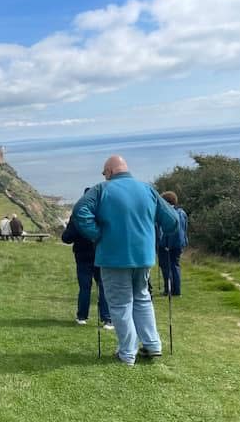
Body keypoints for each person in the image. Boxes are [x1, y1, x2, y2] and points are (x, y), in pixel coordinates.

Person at [73, 155, 178, 366]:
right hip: (143, 256)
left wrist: (96, 234)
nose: (105, 176)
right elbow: (172, 221)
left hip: (113, 257)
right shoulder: (147, 190)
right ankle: (152, 345)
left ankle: (127, 353)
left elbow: (79, 211)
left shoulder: (102, 190)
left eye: (104, 173)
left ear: (110, 172)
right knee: (142, 298)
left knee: (120, 304)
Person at [62, 188, 113, 330]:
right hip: (101, 254)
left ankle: (82, 316)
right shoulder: (104, 215)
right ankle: (107, 319)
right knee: (103, 286)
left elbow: (66, 238)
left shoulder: (78, 216)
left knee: (85, 287)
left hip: (82, 255)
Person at [158, 191, 188, 296]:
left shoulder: (167, 213)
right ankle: (177, 290)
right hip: (178, 244)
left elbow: (167, 231)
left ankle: (169, 290)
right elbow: (184, 229)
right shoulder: (182, 212)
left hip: (167, 244)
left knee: (166, 267)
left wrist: (165, 245)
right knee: (175, 266)